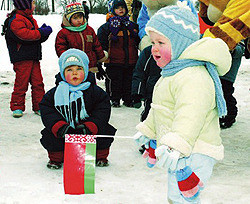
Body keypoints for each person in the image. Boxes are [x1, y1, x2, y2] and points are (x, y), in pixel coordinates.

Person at [134, 5, 231, 203]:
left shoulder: (193, 75)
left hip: (195, 150)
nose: (154, 48)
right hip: (180, 149)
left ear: (179, 43)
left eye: (161, 42)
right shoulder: (172, 72)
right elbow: (161, 108)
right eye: (152, 42)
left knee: (182, 198)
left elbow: (191, 114)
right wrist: (148, 130)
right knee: (177, 196)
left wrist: (176, 144)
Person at [39, 49, 116, 169]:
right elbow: (47, 110)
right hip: (65, 129)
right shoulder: (55, 93)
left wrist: (91, 126)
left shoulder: (95, 91)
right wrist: (59, 126)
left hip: (87, 129)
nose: (75, 73)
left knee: (105, 131)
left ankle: (100, 156)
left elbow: (102, 109)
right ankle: (56, 158)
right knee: (49, 135)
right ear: (63, 73)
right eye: (69, 70)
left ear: (85, 70)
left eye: (79, 69)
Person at [198, 0, 249, 129]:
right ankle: (218, 114)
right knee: (216, 89)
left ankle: (230, 115)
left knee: (226, 90)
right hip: (220, 65)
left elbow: (239, 49)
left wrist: (231, 48)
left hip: (229, 68)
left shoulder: (237, 29)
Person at [3, 0, 52, 118]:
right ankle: (17, 106)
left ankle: (39, 106)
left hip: (33, 57)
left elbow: (35, 37)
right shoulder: (16, 19)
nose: (34, 6)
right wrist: (40, 33)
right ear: (25, 4)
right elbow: (24, 35)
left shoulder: (29, 18)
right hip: (22, 58)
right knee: (21, 82)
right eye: (33, 3)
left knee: (38, 82)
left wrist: (44, 33)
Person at [97, 0, 140, 107]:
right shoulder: (106, 27)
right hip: (113, 61)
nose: (120, 10)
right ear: (113, 10)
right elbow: (101, 44)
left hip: (131, 60)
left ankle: (128, 99)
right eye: (117, 8)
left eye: (122, 7)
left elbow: (138, 42)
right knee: (114, 81)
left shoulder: (132, 26)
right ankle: (114, 99)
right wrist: (100, 60)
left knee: (128, 81)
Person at [55, 2, 107, 74]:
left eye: (80, 17)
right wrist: (69, 61)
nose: (79, 20)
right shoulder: (63, 33)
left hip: (90, 66)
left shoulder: (89, 30)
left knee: (90, 84)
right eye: (75, 18)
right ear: (69, 19)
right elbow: (61, 49)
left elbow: (96, 46)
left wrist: (100, 60)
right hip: (74, 69)